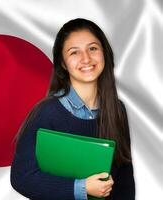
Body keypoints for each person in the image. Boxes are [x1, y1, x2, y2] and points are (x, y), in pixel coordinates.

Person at [10, 18, 135, 200]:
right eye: (74, 52)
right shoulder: (46, 112)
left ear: (105, 53)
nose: (86, 58)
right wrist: (82, 188)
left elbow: (124, 182)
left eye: (93, 48)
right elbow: (22, 177)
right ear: (62, 63)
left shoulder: (117, 110)